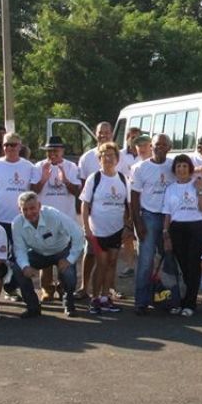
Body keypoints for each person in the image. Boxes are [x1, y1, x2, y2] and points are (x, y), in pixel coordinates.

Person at [11, 192, 86, 318]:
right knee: (18, 269)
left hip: (61, 251)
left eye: (32, 208)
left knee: (69, 274)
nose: (29, 213)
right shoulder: (17, 223)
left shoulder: (53, 214)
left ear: (39, 206)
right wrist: (25, 266)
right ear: (19, 210)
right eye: (25, 209)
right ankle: (33, 307)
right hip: (38, 253)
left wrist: (69, 259)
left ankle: (69, 303)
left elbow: (77, 234)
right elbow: (20, 249)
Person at [80, 142, 133, 315]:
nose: (108, 159)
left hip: (116, 230)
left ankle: (105, 297)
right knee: (101, 264)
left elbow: (128, 206)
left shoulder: (123, 179)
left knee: (111, 264)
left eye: (112, 155)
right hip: (98, 230)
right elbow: (85, 205)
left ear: (117, 159)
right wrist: (86, 228)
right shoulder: (94, 178)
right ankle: (94, 298)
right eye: (104, 156)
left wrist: (127, 226)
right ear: (99, 159)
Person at [29, 135, 82, 302]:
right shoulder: (38, 166)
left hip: (66, 220)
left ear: (62, 151)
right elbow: (33, 192)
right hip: (44, 220)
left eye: (56, 151)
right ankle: (46, 289)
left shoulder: (72, 167)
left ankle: (63, 288)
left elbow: (78, 193)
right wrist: (44, 179)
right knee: (44, 254)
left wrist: (66, 180)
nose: (53, 154)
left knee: (63, 256)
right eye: (50, 151)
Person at [130, 133, 175, 314]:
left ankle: (169, 299)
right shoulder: (140, 168)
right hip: (148, 216)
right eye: (156, 145)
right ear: (151, 146)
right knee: (146, 261)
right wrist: (137, 223)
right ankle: (141, 301)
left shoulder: (173, 166)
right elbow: (133, 197)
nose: (159, 148)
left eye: (163, 145)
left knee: (169, 260)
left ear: (169, 148)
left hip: (169, 218)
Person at [162, 154, 202, 317]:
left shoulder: (197, 183)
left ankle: (190, 303)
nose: (181, 169)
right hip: (176, 229)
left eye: (185, 166)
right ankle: (178, 301)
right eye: (178, 166)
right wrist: (166, 233)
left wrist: (200, 190)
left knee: (193, 267)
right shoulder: (170, 188)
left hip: (195, 227)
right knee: (180, 267)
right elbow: (167, 214)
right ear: (174, 170)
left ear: (190, 169)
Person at [77, 121, 114, 300]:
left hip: (112, 216)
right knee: (90, 252)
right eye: (100, 132)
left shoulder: (117, 155)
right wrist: (87, 217)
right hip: (93, 215)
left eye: (107, 132)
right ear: (95, 133)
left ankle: (109, 290)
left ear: (112, 133)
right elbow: (83, 188)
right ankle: (84, 287)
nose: (103, 135)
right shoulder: (86, 158)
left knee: (111, 257)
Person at [0, 132, 34, 243]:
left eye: (12, 145)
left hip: (22, 220)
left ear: (19, 146)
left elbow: (35, 193)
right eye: (5, 145)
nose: (9, 147)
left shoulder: (29, 167)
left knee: (20, 255)